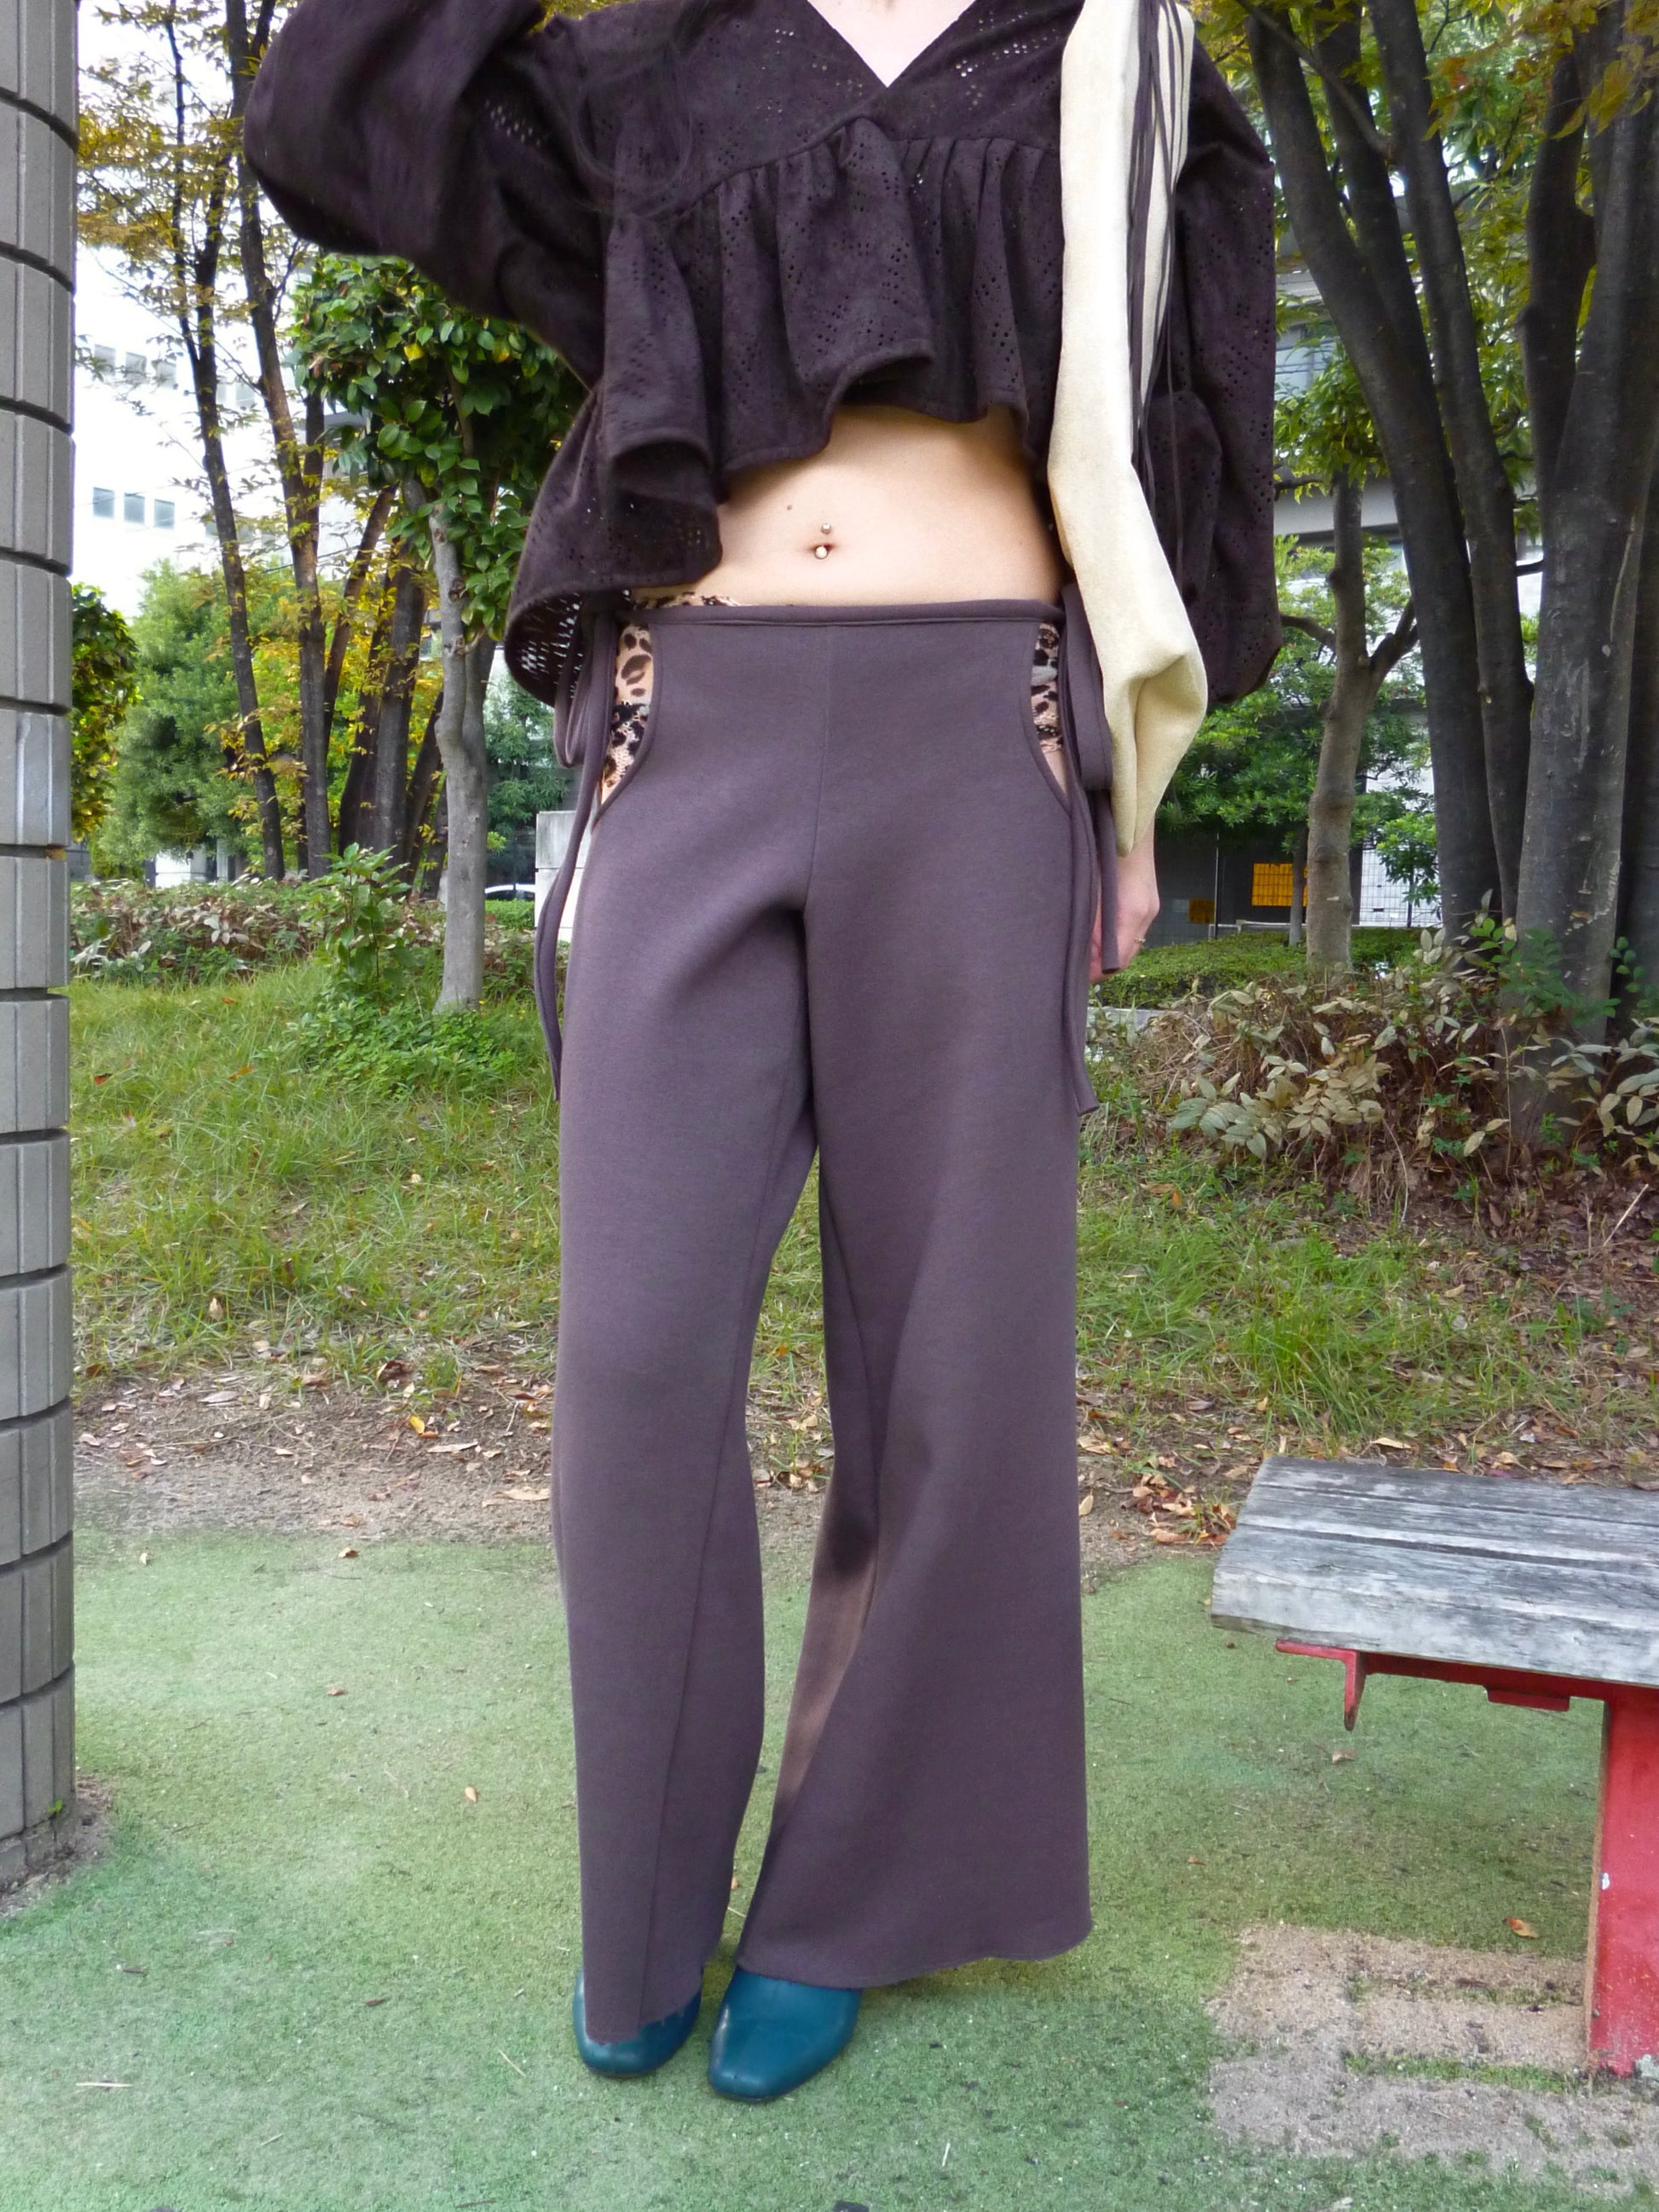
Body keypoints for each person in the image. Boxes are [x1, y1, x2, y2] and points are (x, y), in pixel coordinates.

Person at [246, 0, 1279, 2102]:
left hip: (981, 740)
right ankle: (640, 1905)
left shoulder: (1103, 48)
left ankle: (836, 1904)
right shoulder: (659, 51)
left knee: (953, 1365)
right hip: (686, 731)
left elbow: (1188, 416)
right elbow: (330, 121)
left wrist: (1128, 795)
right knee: (633, 1359)